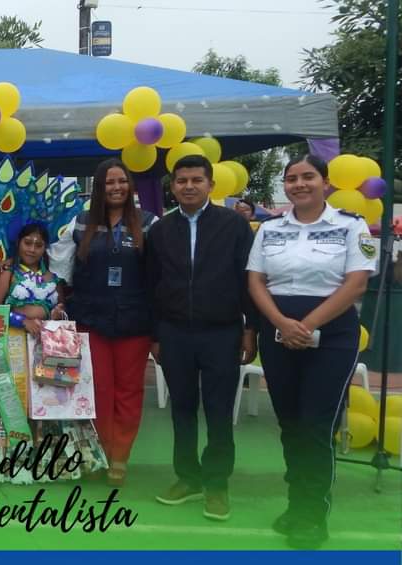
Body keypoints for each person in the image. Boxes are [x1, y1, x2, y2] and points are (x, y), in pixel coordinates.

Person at [247, 154, 376, 549]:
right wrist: (281, 324)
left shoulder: (352, 226)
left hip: (332, 336)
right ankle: (295, 502)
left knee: (316, 426)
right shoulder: (269, 229)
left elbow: (356, 284)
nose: (299, 184)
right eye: (291, 179)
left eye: (308, 177)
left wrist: (306, 325)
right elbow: (256, 281)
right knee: (289, 423)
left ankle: (313, 513)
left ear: (326, 182)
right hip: (279, 334)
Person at [146, 154, 257, 521]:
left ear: (211, 184)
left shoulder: (234, 225)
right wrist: (155, 334)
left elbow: (249, 280)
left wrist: (250, 329)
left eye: (196, 180)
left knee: (219, 410)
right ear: (173, 186)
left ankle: (216, 483)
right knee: (181, 409)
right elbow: (152, 286)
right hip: (174, 333)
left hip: (222, 333)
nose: (189, 186)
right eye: (182, 181)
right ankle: (188, 477)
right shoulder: (160, 230)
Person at [49, 159, 157, 487]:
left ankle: (120, 456)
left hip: (134, 321)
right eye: (109, 182)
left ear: (130, 185)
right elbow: (58, 270)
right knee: (96, 390)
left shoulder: (149, 223)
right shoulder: (80, 223)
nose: (116, 187)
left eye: (121, 181)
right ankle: (99, 453)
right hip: (90, 320)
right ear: (99, 187)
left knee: (129, 390)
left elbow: (161, 274)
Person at [0, 223, 106, 483]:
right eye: (28, 242)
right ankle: (7, 464)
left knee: (50, 399)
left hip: (48, 348)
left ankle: (53, 465)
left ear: (45, 248)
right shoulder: (8, 274)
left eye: (38, 244)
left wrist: (55, 313)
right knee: (14, 399)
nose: (32, 249)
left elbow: (62, 309)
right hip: (13, 346)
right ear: (19, 243)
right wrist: (21, 320)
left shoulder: (54, 279)